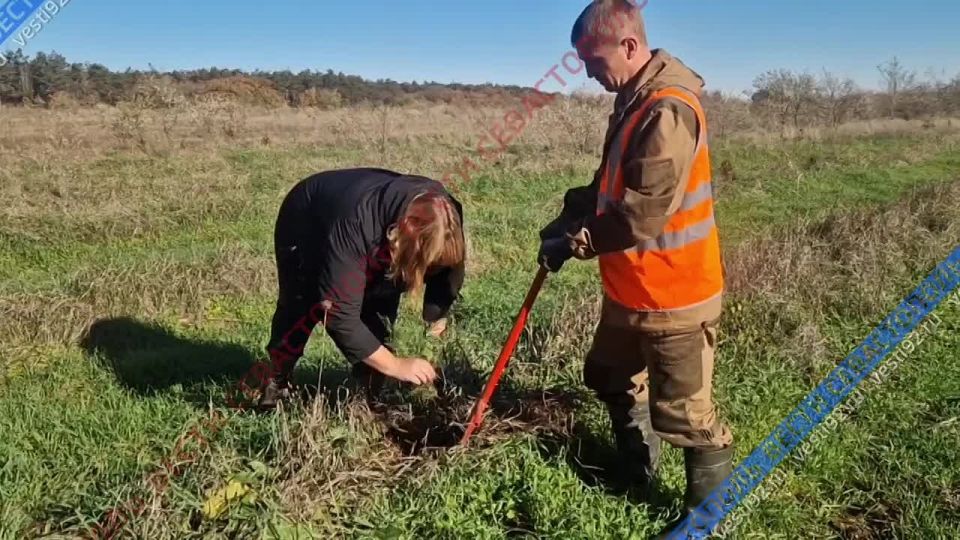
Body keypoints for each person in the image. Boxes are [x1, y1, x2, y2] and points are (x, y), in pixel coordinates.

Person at [537, 0, 734, 519]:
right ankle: (635, 469)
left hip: (675, 294)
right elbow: (611, 185)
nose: (589, 74)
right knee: (607, 375)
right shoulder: (632, 99)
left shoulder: (667, 108)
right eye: (581, 63)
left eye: (594, 61)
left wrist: (578, 241)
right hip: (630, 288)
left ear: (628, 46)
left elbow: (641, 213)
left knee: (688, 418)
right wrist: (570, 213)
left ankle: (703, 520)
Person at [257, 167, 466, 409]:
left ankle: (370, 386)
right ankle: (277, 379)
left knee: (380, 302)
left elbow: (449, 270)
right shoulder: (356, 223)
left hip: (380, 226)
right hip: (309, 219)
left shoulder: (446, 215)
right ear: (405, 229)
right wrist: (395, 365)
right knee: (301, 302)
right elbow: (337, 313)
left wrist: (435, 322)